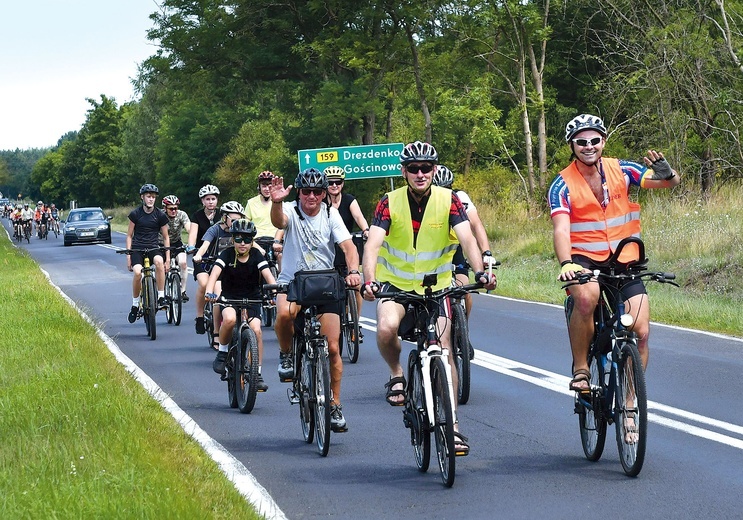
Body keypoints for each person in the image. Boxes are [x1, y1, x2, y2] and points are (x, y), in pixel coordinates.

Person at [361, 141, 497, 456]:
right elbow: (372, 245)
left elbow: (468, 238)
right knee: (385, 329)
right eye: (413, 168)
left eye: (426, 168)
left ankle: (454, 429)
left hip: (437, 288)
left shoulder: (449, 200)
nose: (420, 174)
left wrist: (480, 272)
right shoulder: (388, 202)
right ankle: (396, 373)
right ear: (404, 171)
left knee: (445, 350)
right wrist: (369, 280)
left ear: (434, 170)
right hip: (396, 286)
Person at [549, 113, 681, 398]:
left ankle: (631, 404)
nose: (589, 146)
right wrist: (566, 263)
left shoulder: (622, 169)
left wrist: (667, 173)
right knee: (586, 298)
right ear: (572, 145)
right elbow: (561, 229)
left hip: (625, 259)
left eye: (594, 140)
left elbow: (667, 183)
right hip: (583, 257)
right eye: (581, 142)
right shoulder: (561, 184)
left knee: (641, 332)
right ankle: (582, 368)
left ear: (603, 141)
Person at [269, 168, 361, 433]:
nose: (311, 196)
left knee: (333, 348)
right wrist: (276, 201)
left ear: (323, 194)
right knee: (284, 315)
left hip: (324, 282)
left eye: (317, 191)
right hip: (293, 280)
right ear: (299, 192)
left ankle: (334, 405)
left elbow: (349, 247)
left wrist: (354, 272)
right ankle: (286, 356)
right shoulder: (290, 210)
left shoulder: (331, 214)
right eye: (306, 191)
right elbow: (278, 221)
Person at [207, 219, 276, 392]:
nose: (242, 243)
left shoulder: (257, 256)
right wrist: (210, 292)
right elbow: (214, 274)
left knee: (257, 329)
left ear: (252, 240)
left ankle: (257, 373)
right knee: (229, 319)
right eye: (238, 239)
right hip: (230, 297)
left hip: (252, 299)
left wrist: (275, 293)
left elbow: (268, 275)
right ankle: (222, 352)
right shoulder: (227, 254)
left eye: (246, 239)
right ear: (232, 240)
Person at [432, 164, 494, 355]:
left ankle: (461, 331)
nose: (444, 193)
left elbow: (476, 225)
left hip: (455, 248)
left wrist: (486, 253)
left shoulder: (460, 198)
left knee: (464, 289)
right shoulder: (425, 201)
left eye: (448, 188)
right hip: (433, 253)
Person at [323, 165, 370, 340]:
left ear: (342, 183)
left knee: (357, 285)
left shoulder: (350, 200)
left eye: (338, 182)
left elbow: (359, 217)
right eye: (330, 182)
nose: (334, 185)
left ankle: (355, 322)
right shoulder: (321, 203)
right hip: (328, 252)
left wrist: (366, 230)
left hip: (347, 249)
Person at [193, 200, 246, 348]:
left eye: (240, 219)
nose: (237, 223)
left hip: (229, 268)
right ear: (224, 218)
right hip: (210, 265)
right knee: (216, 294)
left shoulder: (239, 231)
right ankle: (215, 332)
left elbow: (251, 243)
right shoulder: (215, 229)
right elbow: (205, 245)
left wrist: (261, 251)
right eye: (234, 220)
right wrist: (198, 255)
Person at [125, 184, 171, 324]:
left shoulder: (160, 215)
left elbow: (165, 237)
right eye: (148, 197)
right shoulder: (135, 214)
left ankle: (161, 296)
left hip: (153, 247)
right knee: (138, 273)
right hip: (138, 249)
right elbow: (129, 236)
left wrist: (167, 259)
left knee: (158, 262)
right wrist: (128, 256)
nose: (151, 199)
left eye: (153, 197)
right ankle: (135, 304)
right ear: (142, 197)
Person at [187, 184, 220, 335]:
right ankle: (200, 317)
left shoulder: (222, 215)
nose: (211, 202)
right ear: (202, 201)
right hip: (202, 256)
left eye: (213, 199)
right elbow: (193, 234)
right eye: (208, 199)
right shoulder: (197, 216)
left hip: (220, 255)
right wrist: (191, 247)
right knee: (204, 283)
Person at [244, 170, 284, 269]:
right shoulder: (251, 203)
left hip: (275, 240)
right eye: (264, 185)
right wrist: (255, 245)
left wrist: (277, 241)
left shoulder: (279, 202)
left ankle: (285, 282)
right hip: (257, 240)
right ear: (259, 187)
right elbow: (246, 227)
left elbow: (283, 225)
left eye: (269, 185)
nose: (267, 189)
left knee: (281, 256)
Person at [160, 195, 192, 301]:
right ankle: (161, 292)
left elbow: (189, 228)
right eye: (171, 208)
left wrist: (192, 241)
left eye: (175, 208)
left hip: (176, 243)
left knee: (183, 263)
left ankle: (182, 291)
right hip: (161, 244)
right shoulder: (160, 215)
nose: (174, 211)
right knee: (161, 266)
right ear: (165, 208)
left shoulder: (182, 215)